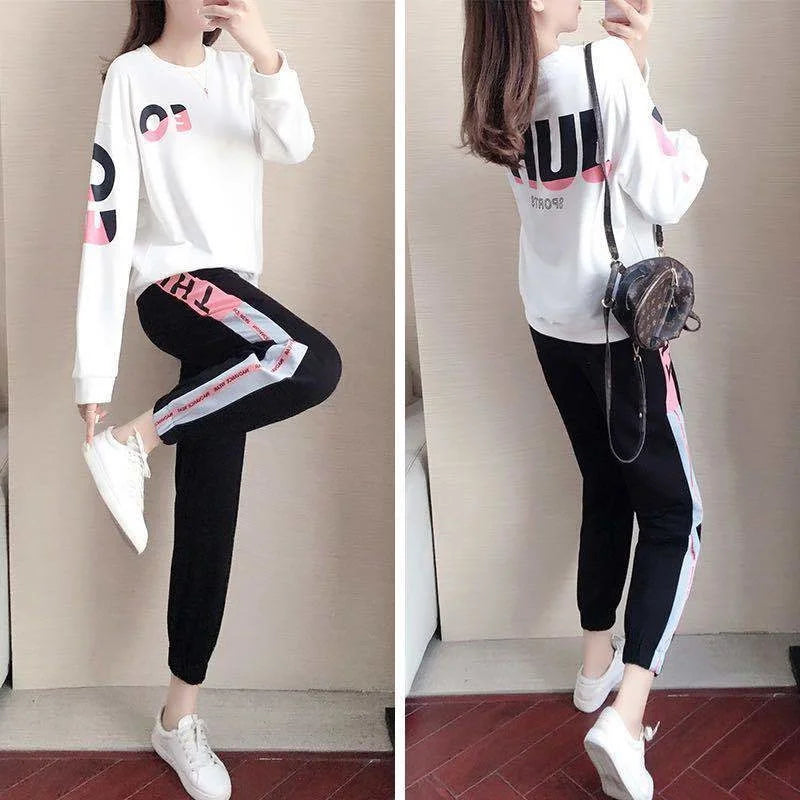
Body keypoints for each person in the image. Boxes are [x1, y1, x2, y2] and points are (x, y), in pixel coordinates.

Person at [73, 2, 341, 798]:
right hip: (173, 288)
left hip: (234, 314)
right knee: (309, 361)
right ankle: (131, 440)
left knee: (209, 514)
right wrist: (94, 374)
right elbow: (105, 220)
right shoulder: (130, 78)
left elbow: (296, 143)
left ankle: (177, 718)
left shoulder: (242, 73)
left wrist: (264, 52)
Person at [460, 1, 707, 798]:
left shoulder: (496, 80)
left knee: (604, 484)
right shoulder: (603, 65)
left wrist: (637, 73)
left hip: (552, 322)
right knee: (676, 516)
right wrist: (670, 119)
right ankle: (625, 718)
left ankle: (594, 662)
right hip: (619, 328)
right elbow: (666, 190)